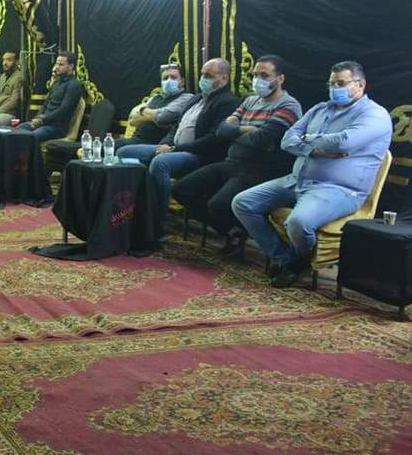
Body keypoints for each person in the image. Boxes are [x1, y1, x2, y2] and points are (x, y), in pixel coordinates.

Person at [232, 61, 392, 288]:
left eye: (341, 83)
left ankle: (297, 262)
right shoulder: (320, 109)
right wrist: (315, 149)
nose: (334, 88)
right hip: (297, 180)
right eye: (331, 83)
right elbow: (287, 140)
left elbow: (343, 141)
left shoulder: (375, 114)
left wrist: (305, 140)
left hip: (337, 189)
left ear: (360, 85)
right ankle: (288, 259)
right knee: (243, 203)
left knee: (298, 222)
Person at [173, 56, 302, 252]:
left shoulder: (288, 106)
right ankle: (232, 230)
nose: (258, 79)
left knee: (218, 205)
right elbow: (221, 131)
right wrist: (247, 130)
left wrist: (236, 132)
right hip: (232, 162)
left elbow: (261, 139)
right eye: (255, 74)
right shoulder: (250, 101)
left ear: (280, 79)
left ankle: (241, 231)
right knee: (181, 190)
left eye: (265, 75)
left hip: (260, 169)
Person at [118, 58, 241, 226]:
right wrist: (165, 144)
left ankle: (157, 220)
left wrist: (175, 148)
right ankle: (130, 209)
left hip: (198, 154)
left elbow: (214, 138)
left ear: (224, 78)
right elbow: (176, 127)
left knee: (160, 163)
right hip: (173, 147)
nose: (203, 79)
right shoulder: (196, 98)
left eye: (209, 76)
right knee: (124, 152)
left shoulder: (228, 102)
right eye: (202, 75)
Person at [117, 63, 198, 148]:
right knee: (110, 145)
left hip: (155, 144)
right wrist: (155, 116)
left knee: (120, 149)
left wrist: (142, 111)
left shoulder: (186, 97)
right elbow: (133, 120)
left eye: (173, 77)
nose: (169, 81)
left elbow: (163, 116)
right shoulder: (155, 98)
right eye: (165, 78)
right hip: (135, 140)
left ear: (182, 81)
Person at [17, 51, 84, 141]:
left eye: (61, 65)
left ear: (71, 66)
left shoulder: (74, 85)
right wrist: (37, 118)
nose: (57, 67)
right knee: (15, 131)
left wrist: (42, 120)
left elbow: (63, 111)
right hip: (44, 123)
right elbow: (46, 104)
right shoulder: (56, 82)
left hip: (57, 128)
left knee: (30, 137)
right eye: (56, 64)